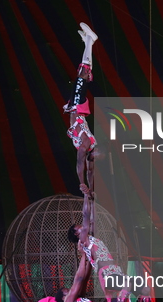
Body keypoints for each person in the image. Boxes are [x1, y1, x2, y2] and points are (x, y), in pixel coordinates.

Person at [68, 185, 148, 302]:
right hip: (106, 273)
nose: (81, 226)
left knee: (145, 289)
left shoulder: (90, 237)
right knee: (127, 285)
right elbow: (86, 216)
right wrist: (86, 196)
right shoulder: (84, 240)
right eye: (78, 227)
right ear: (76, 233)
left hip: (115, 271)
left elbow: (91, 217)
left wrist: (92, 201)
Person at [64, 22, 99, 195]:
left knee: (82, 75)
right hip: (77, 106)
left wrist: (89, 189)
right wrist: (81, 183)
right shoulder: (85, 145)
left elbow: (90, 170)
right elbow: (80, 165)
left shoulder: (87, 148)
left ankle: (88, 42)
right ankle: (89, 41)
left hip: (74, 106)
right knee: (82, 75)